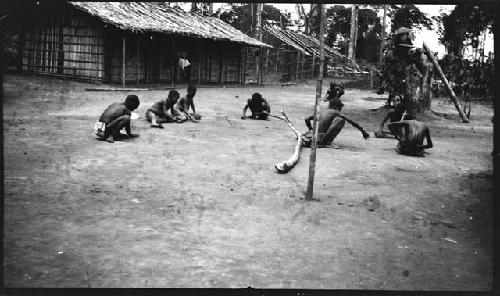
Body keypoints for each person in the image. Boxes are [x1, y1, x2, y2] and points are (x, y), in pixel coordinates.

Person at [302, 97, 370, 148]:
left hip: (315, 136)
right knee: (341, 120)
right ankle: (327, 143)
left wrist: (311, 129)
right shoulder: (335, 112)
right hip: (320, 139)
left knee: (335, 120)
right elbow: (351, 121)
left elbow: (307, 119)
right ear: (336, 106)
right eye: (340, 107)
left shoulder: (323, 111)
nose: (340, 109)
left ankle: (323, 141)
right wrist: (362, 130)